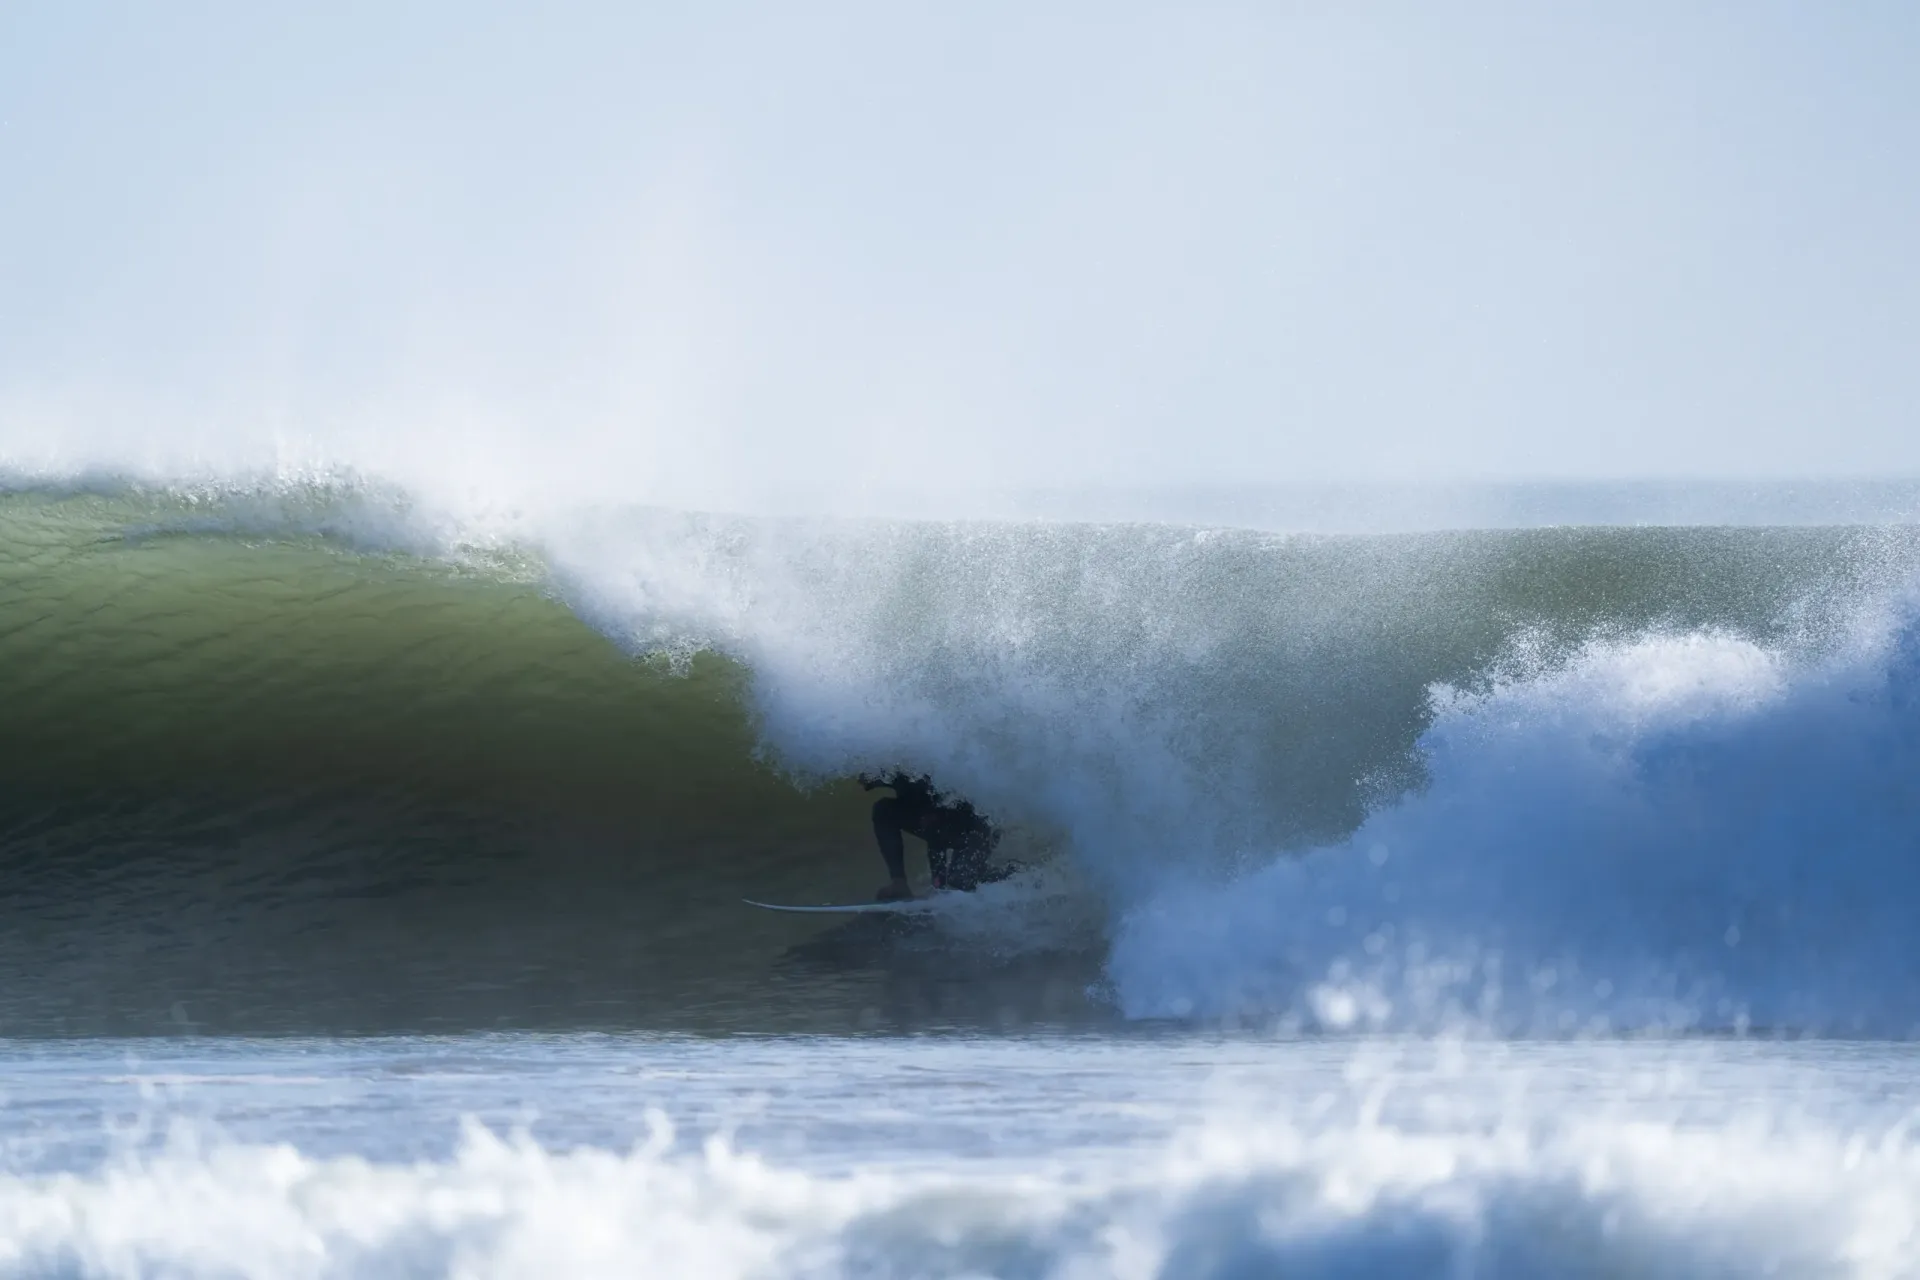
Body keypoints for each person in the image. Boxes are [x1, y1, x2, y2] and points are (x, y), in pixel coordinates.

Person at [859, 770, 1008, 901]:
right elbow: (866, 779)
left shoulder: (940, 771)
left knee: (961, 882)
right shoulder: (898, 766)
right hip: (939, 818)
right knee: (883, 809)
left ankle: (1013, 879)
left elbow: (938, 837)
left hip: (979, 826)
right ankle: (899, 883)